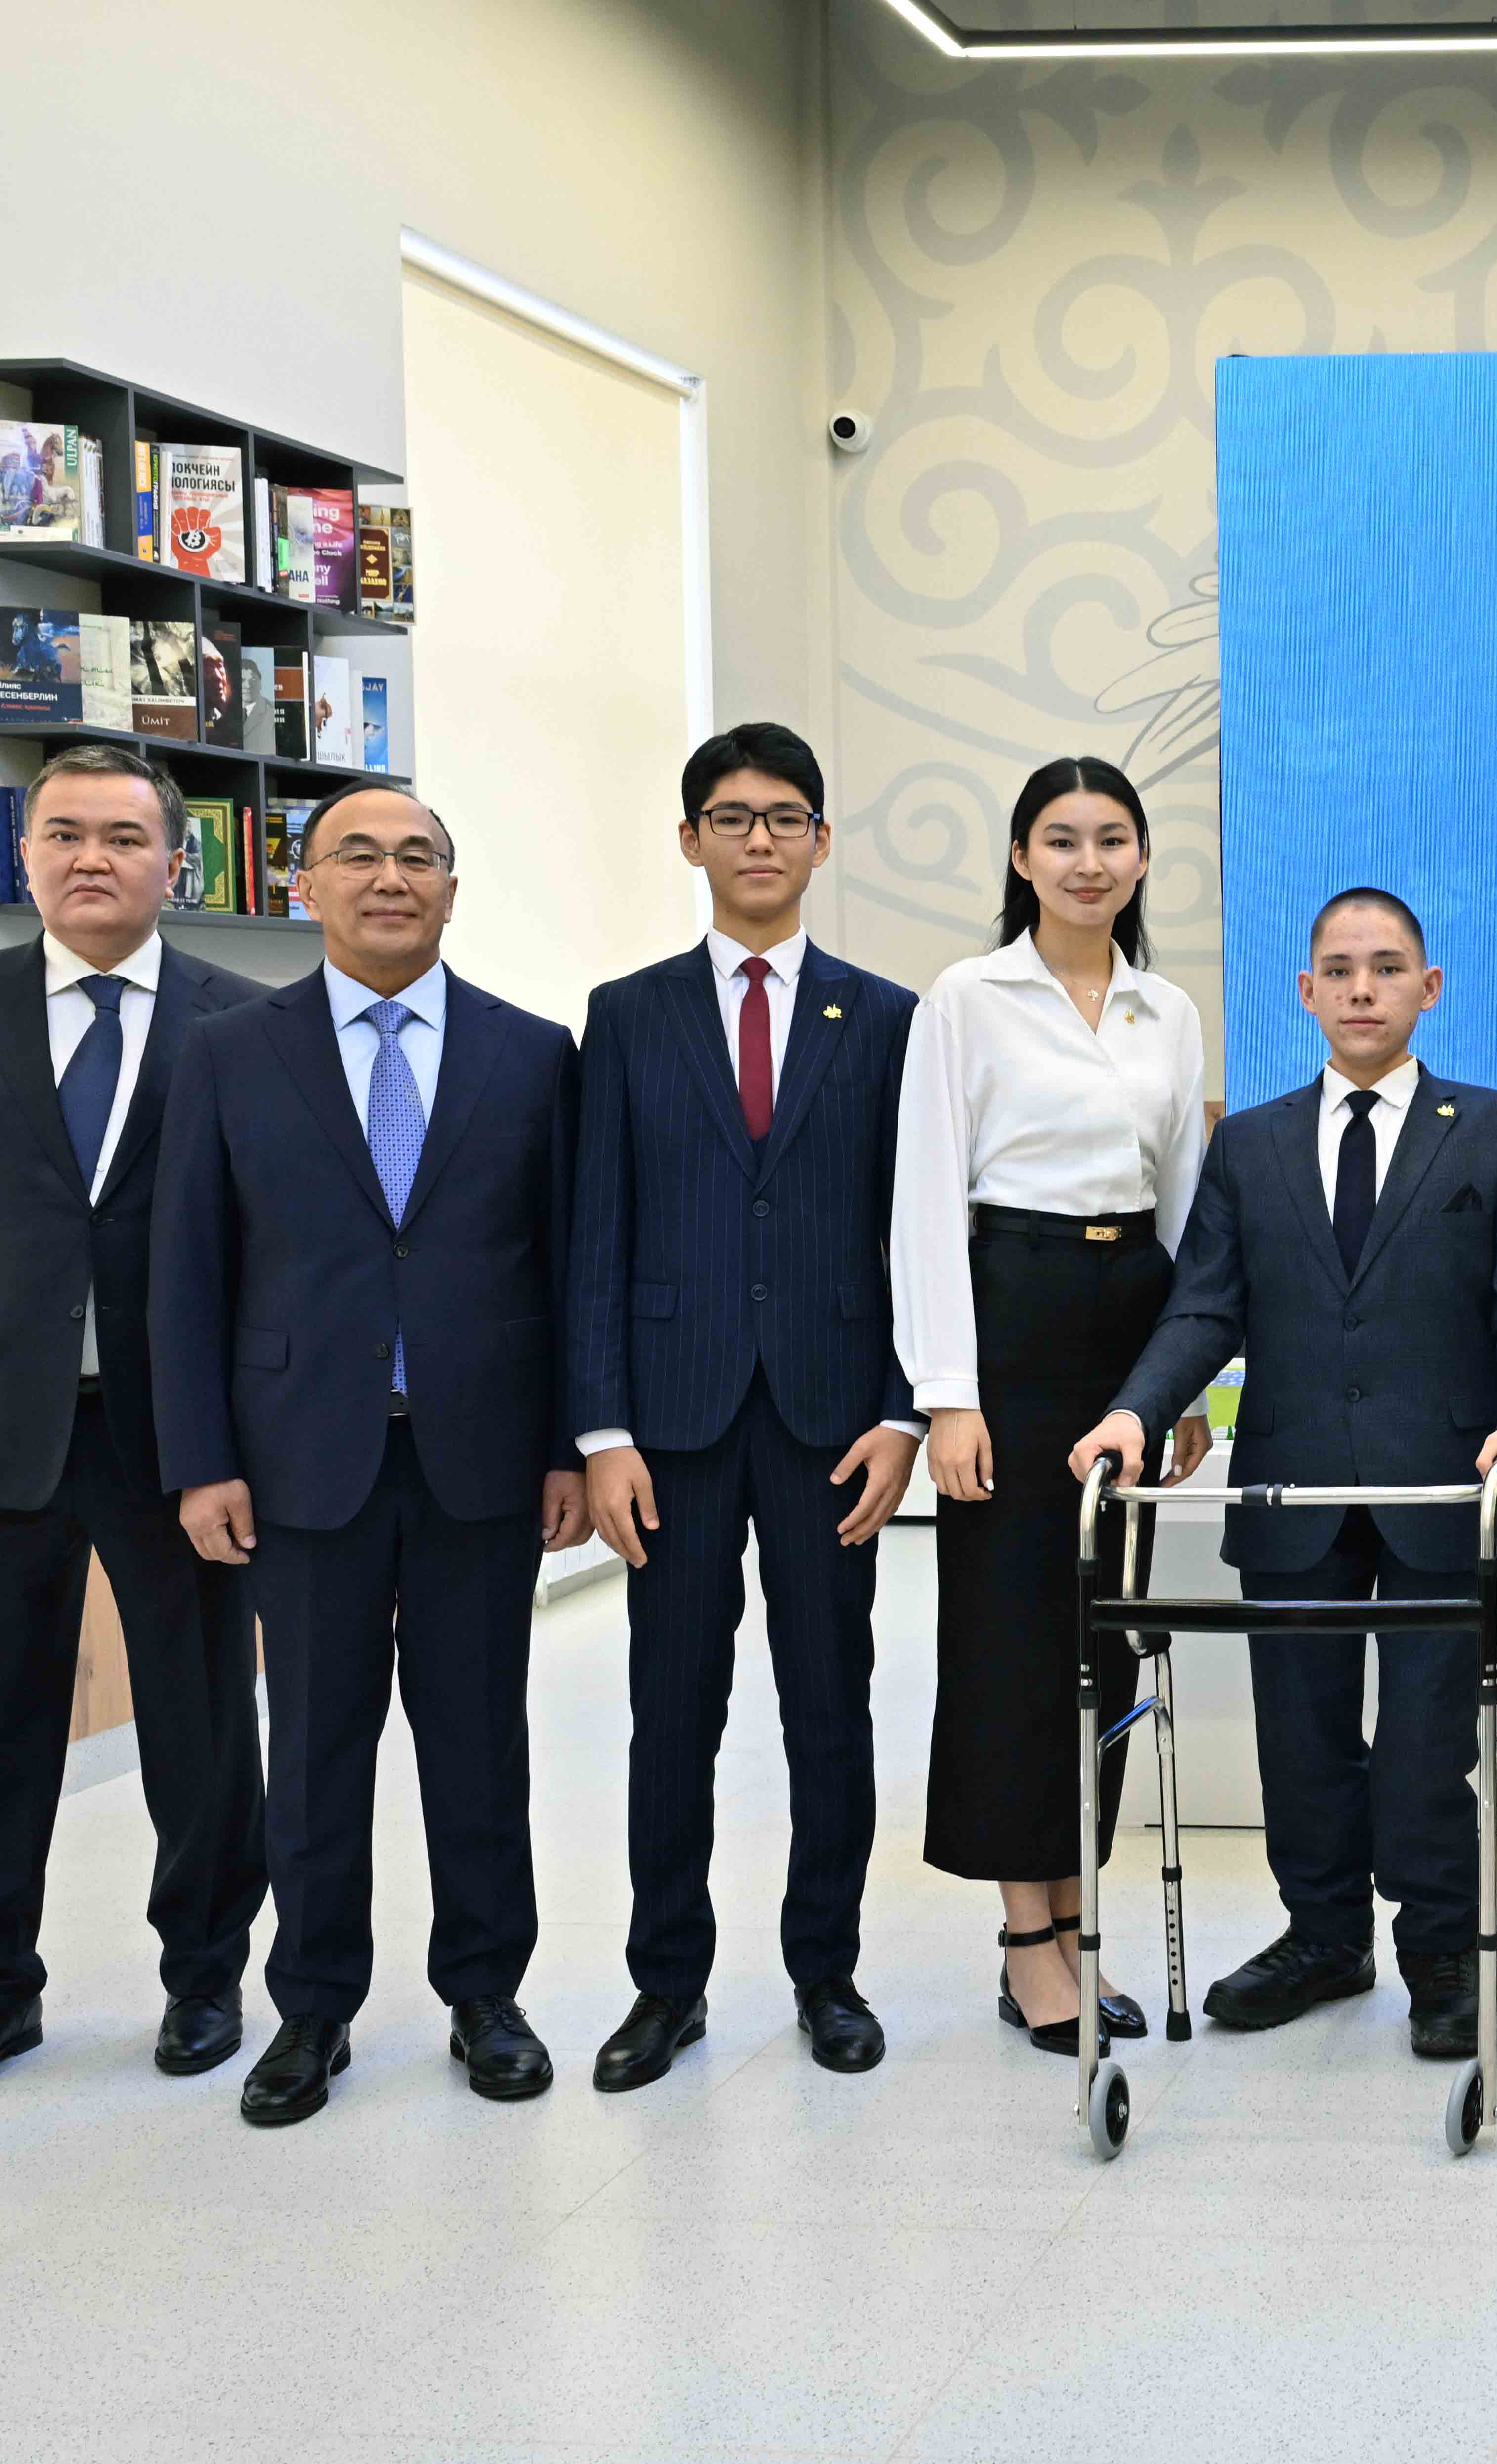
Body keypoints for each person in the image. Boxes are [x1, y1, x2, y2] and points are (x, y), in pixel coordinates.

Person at [1069, 886, 1497, 2061]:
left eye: (1387, 968)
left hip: (1447, 1491)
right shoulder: (1249, 1144)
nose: (1361, 989)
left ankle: (1443, 1953)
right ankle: (1325, 1936)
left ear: (1428, 988)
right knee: (1300, 1739)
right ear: (1305, 991)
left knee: (1425, 1748)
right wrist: (1136, 1412)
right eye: (1339, 971)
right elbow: (1204, 1306)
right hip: (1290, 1487)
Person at [150, 785, 589, 2126]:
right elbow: (187, 1270)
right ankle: (313, 2008)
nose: (390, 877)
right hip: (297, 1462)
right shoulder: (229, 1053)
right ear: (305, 885)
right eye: (358, 855)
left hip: (484, 1461)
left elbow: (569, 1267)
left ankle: (485, 1995)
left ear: (452, 889)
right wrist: (200, 1460)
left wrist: (571, 1445)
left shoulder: (534, 1053)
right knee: (313, 1751)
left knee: (479, 1744)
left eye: (418, 858)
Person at [0, 745, 268, 2102]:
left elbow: (277, 1248)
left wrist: (255, 1437)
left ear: (174, 864)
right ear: (22, 858)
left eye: (124, 838)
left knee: (204, 1722)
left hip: (181, 1438)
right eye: (65, 834)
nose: (93, 858)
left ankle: (206, 1976)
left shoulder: (247, 1020)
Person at [565, 723, 922, 2092]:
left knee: (830, 1708)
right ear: (690, 840)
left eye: (784, 817)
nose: (758, 839)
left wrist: (901, 1413)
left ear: (822, 842)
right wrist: (603, 1433)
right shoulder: (628, 1014)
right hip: (672, 1427)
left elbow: (911, 1236)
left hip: (835, 1421)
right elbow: (597, 1233)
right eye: (731, 817)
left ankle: (826, 1972)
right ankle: (668, 1983)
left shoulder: (885, 1018)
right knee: (673, 1711)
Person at [893, 754, 1210, 2055]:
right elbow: (925, 1201)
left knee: (1106, 1635)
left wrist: (1185, 1382)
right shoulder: (968, 998)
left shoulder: (1164, 1010)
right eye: (1062, 840)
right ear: (1022, 857)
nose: (1089, 863)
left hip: (1130, 1322)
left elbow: (1185, 1200)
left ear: (1141, 860)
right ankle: (1028, 1939)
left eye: (1112, 839)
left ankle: (1081, 1922)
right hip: (1009, 1316)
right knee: (1010, 1640)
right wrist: (946, 1396)